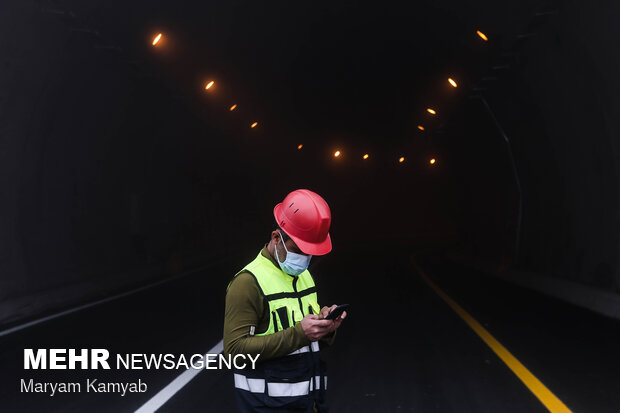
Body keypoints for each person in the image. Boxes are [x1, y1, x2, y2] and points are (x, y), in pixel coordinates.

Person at [224, 189, 346, 412]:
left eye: (311, 252)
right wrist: (300, 333)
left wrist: (326, 327)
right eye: (299, 250)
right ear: (276, 237)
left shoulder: (304, 276)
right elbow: (234, 352)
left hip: (310, 405)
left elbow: (309, 341)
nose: (305, 259)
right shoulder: (248, 283)